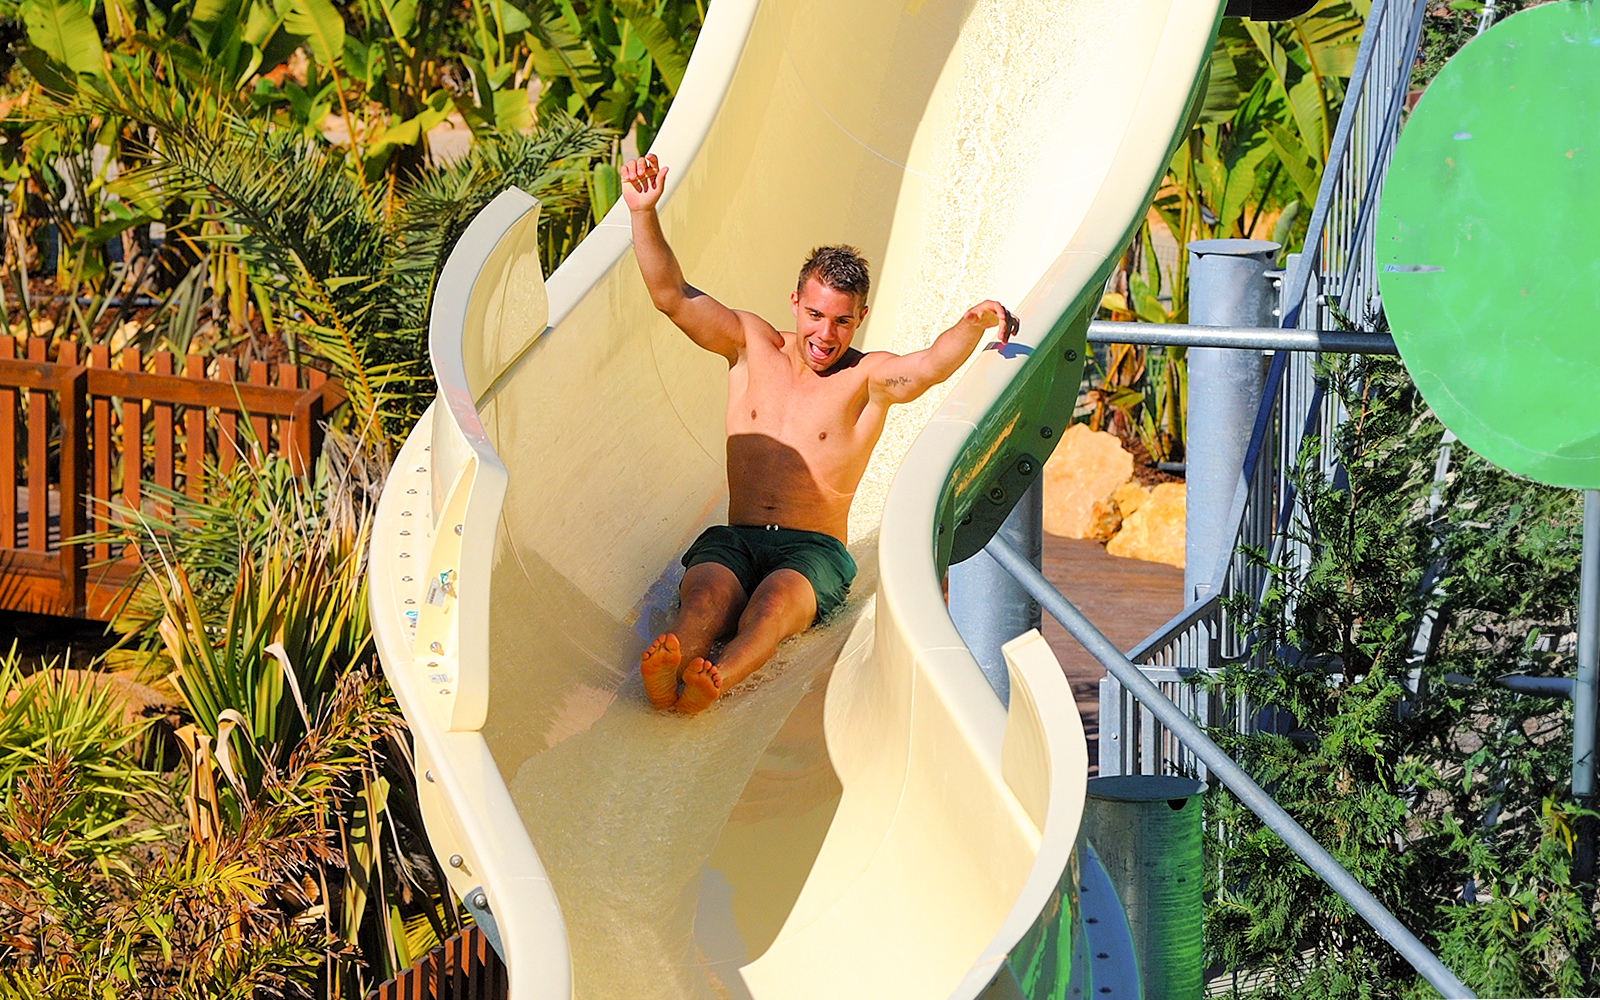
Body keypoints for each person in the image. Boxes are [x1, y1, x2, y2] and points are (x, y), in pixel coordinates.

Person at [624, 153, 1015, 713]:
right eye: (815, 315)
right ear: (795, 303)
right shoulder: (750, 344)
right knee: (707, 593)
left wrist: (972, 324)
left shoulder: (867, 378)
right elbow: (672, 297)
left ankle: (716, 678)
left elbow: (928, 365)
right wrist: (643, 213)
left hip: (812, 552)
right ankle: (674, 664)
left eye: (841, 321)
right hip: (739, 536)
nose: (825, 334)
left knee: (774, 605)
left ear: (859, 319)